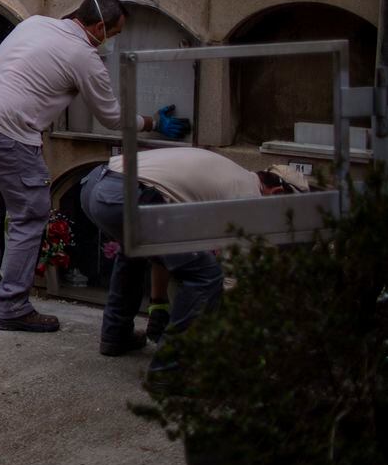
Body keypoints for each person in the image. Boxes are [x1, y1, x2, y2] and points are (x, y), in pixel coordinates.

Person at [0, 0, 190, 333]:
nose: (111, 40)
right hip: (9, 134)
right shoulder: (84, 56)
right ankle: (13, 307)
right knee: (29, 215)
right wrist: (152, 123)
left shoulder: (36, 23)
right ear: (98, 27)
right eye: (114, 33)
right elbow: (111, 117)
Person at [80, 149, 308, 355]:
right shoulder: (248, 200)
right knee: (207, 275)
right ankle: (172, 367)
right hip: (126, 197)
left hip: (94, 185)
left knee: (135, 251)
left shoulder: (235, 177)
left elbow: (163, 249)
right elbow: (230, 281)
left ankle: (116, 335)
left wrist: (158, 304)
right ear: (277, 193)